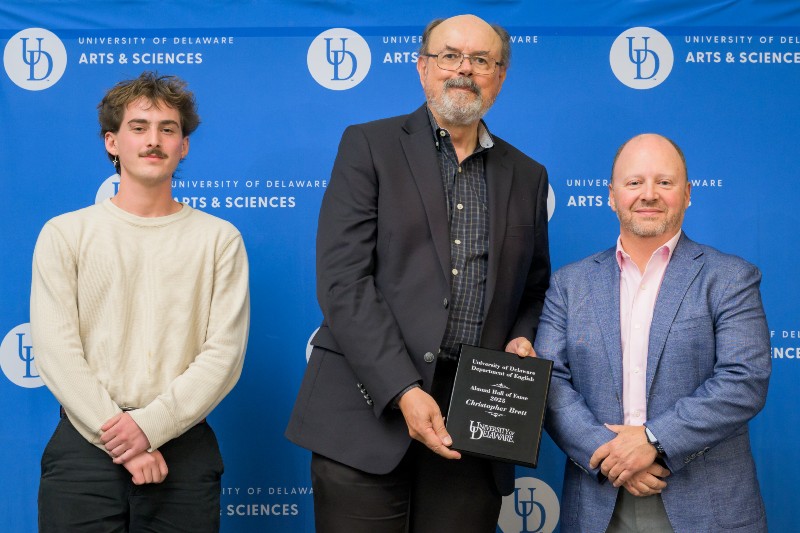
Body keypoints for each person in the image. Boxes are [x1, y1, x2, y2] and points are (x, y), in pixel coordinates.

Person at [285, 13, 550, 533]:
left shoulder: (528, 174)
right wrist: (403, 389)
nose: (464, 70)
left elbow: (535, 287)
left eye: (481, 60)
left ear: (500, 76)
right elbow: (344, 281)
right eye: (450, 56)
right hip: (365, 412)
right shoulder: (369, 146)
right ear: (423, 67)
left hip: (473, 423)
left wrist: (521, 336)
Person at [31, 72, 250, 532]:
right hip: (84, 449)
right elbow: (56, 353)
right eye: (139, 127)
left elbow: (222, 357)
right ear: (112, 142)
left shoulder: (219, 240)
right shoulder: (65, 234)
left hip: (184, 449)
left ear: (183, 146)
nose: (154, 140)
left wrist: (150, 429)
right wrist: (126, 439)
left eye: (168, 129)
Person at [536, 133, 770, 532]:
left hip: (708, 506)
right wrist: (610, 456)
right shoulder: (569, 284)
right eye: (634, 183)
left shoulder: (731, 278)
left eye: (664, 182)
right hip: (598, 502)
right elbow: (550, 381)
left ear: (688, 193)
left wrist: (652, 442)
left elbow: (743, 380)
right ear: (611, 196)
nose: (649, 194)